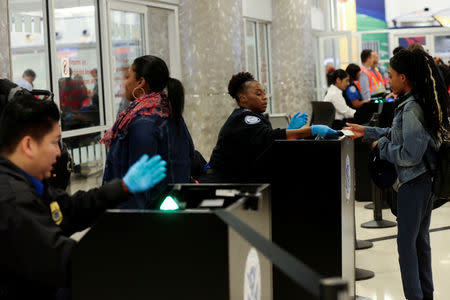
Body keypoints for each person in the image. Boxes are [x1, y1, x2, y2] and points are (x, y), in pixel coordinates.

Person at [0, 92, 167, 299]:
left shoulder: (30, 183)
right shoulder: (14, 200)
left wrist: (123, 187)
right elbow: (64, 260)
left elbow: (69, 209)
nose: (59, 152)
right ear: (28, 145)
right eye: (54, 142)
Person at [345, 48, 450, 300]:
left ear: (404, 77)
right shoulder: (413, 103)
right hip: (421, 182)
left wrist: (380, 147)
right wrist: (367, 132)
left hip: (414, 184)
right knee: (419, 243)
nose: (387, 81)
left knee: (408, 247)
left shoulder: (412, 108)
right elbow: (397, 135)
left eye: (390, 75)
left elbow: (409, 154)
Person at [205, 72, 337, 183]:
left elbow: (267, 145)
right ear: (243, 99)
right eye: (258, 94)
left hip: (238, 178)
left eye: (264, 93)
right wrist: (312, 130)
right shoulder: (244, 119)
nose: (264, 98)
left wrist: (290, 131)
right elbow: (269, 137)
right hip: (225, 183)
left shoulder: (248, 116)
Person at [101, 55, 194, 209]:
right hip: (170, 205)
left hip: (145, 216)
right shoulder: (166, 111)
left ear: (140, 82)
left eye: (128, 76)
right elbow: (190, 153)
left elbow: (139, 183)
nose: (125, 83)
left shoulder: (143, 122)